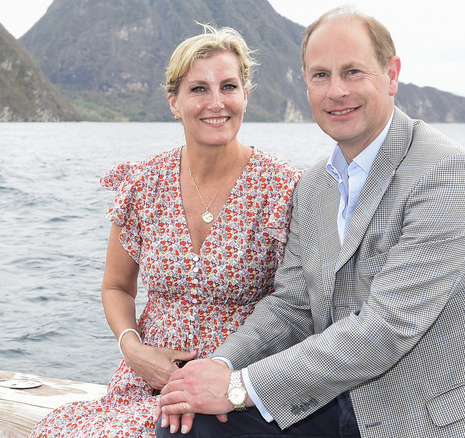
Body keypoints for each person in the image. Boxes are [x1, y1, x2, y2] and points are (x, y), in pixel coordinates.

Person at [154, 6, 465, 438]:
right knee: (191, 425)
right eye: (320, 75)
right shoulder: (313, 187)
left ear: (392, 74)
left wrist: (237, 387)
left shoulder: (448, 175)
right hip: (348, 403)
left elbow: (386, 328)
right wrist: (217, 366)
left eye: (353, 72)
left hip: (441, 416)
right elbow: (292, 306)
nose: (336, 91)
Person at [28, 24, 301, 438]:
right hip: (145, 381)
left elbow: (297, 304)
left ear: (245, 95)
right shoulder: (144, 184)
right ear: (174, 102)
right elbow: (117, 287)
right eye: (198, 89)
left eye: (228, 86)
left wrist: (232, 378)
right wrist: (134, 349)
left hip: (237, 390)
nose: (216, 103)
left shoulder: (283, 188)